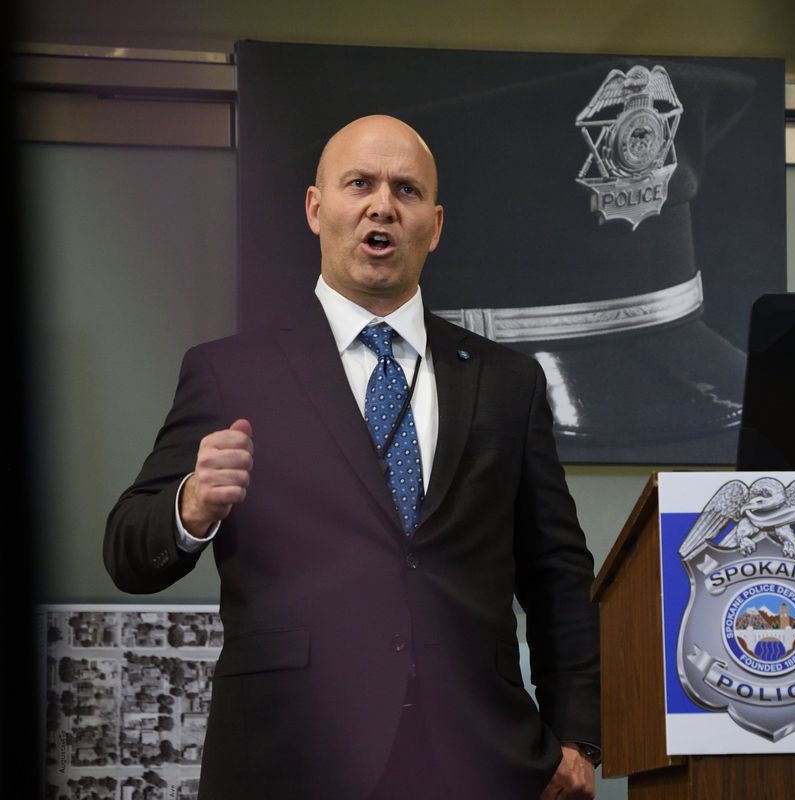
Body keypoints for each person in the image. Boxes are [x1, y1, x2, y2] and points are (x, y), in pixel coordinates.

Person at [104, 115, 601, 799]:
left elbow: (557, 574)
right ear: (317, 208)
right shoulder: (231, 373)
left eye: (406, 190)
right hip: (289, 757)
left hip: (477, 759)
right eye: (359, 184)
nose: (382, 206)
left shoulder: (506, 381)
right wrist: (191, 505)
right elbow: (127, 551)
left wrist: (577, 739)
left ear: (434, 221)